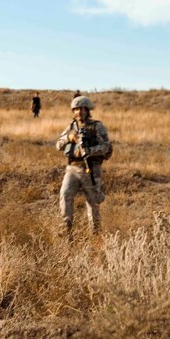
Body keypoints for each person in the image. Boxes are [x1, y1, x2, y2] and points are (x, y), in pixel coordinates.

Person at [56, 95, 112, 234]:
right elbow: (58, 145)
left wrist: (88, 151)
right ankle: (66, 229)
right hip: (73, 168)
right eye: (76, 109)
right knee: (65, 194)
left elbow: (106, 147)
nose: (79, 112)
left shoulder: (97, 127)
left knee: (93, 203)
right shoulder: (71, 127)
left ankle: (95, 234)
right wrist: (69, 138)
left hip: (91, 169)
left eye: (82, 109)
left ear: (88, 110)